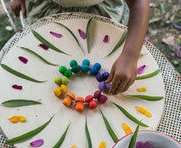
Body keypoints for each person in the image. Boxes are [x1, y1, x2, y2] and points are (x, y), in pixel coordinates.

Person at [11, 0, 149, 95]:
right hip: (47, 11)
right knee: (48, 67)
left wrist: (130, 56)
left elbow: (138, 2)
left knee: (97, 55)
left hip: (101, 14)